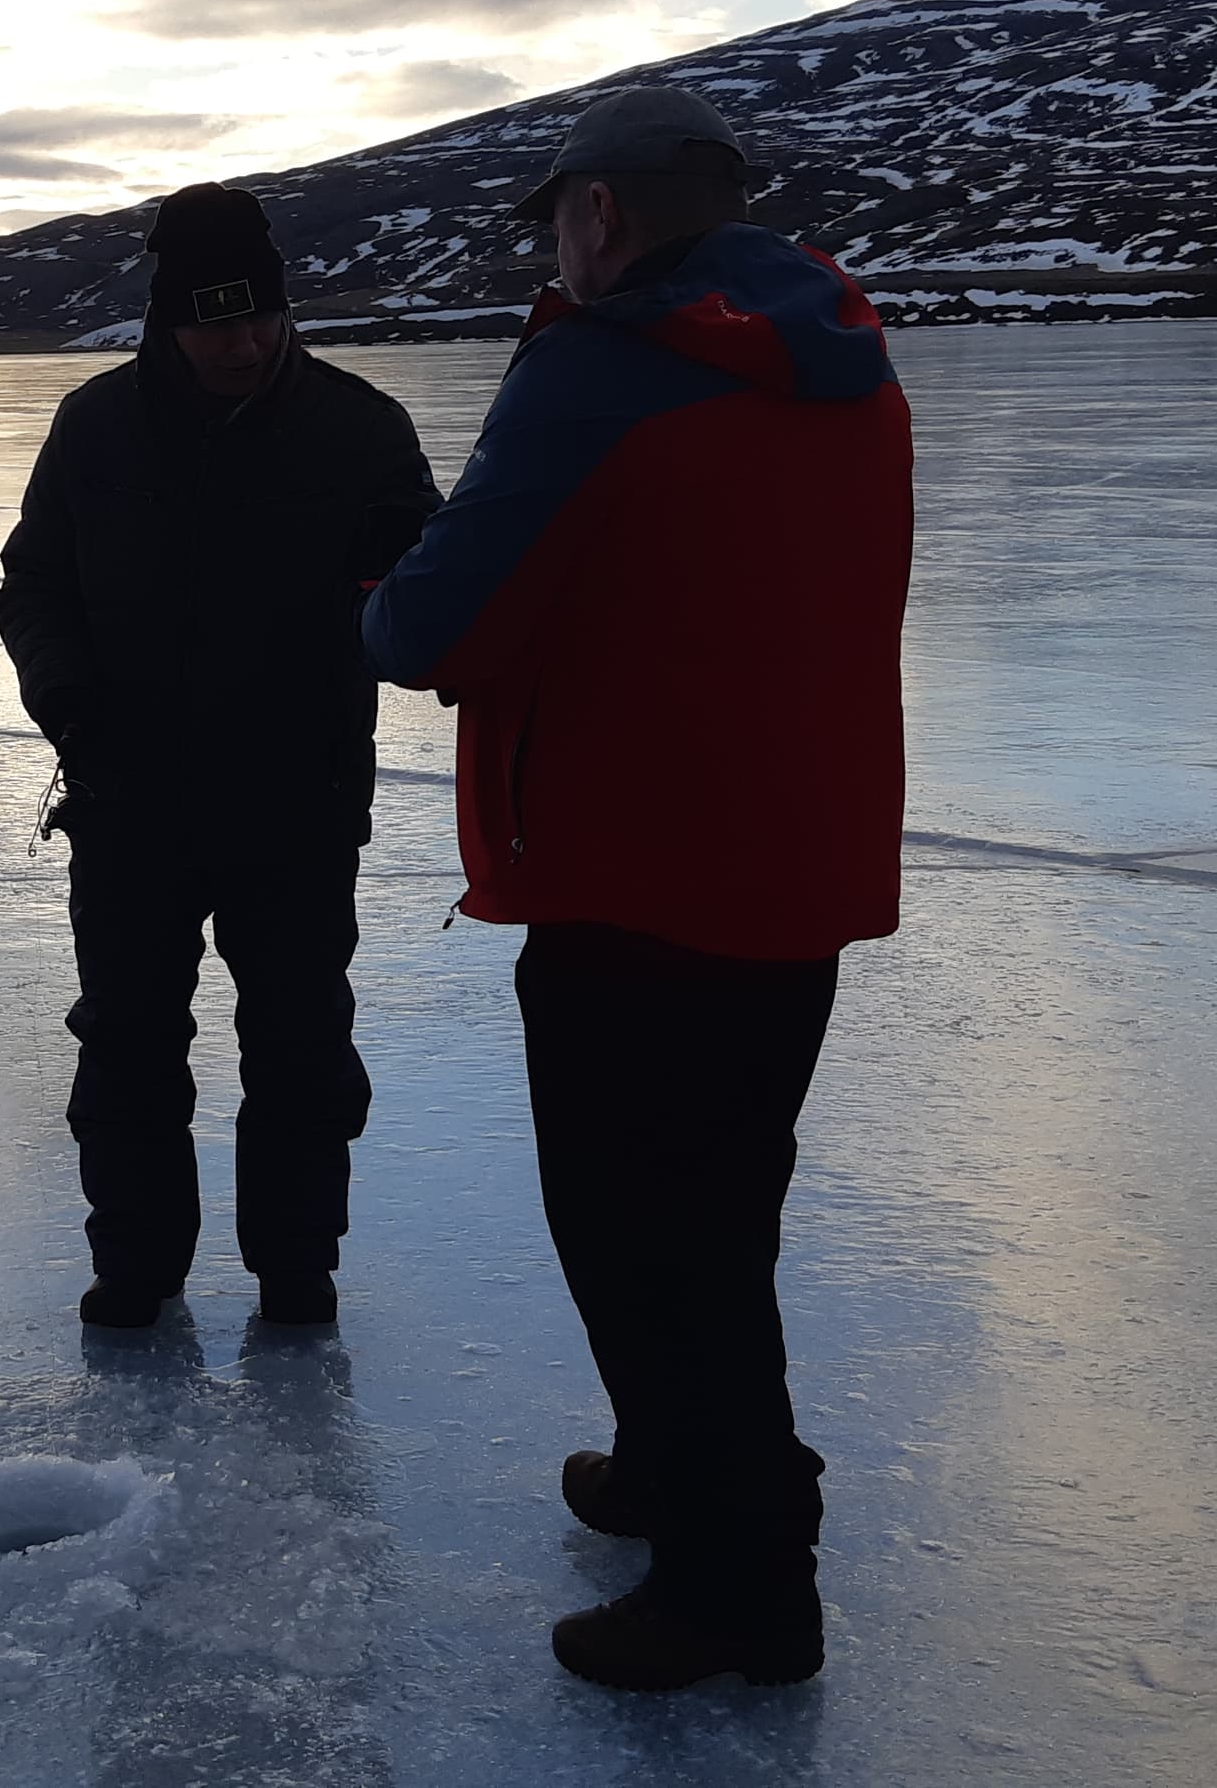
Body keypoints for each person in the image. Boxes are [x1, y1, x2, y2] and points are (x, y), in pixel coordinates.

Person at [360, 87, 915, 1692]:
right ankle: (683, 1468)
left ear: (597, 213)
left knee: (643, 1232)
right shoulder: (849, 363)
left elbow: (433, 632)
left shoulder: (599, 373)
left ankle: (743, 1581)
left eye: (557, 218)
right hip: (794, 865)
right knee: (722, 1210)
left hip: (632, 871)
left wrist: (375, 597)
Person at [0, 183, 442, 1332]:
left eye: (261, 319)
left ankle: (298, 1271)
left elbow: (421, 597)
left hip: (299, 801)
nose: (242, 343)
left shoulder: (360, 428)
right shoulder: (95, 426)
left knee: (300, 1046)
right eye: (214, 323)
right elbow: (34, 584)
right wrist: (67, 698)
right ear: (168, 321)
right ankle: (136, 1266)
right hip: (126, 798)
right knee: (127, 1041)